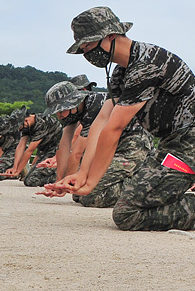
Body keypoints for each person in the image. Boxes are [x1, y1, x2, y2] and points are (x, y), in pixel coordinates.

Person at [47, 7, 195, 233]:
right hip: (171, 145)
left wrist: (91, 182)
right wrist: (82, 173)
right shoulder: (121, 73)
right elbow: (102, 121)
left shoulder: (146, 64)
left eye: (88, 45)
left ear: (110, 36)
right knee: (131, 206)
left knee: (127, 214)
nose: (87, 53)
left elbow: (114, 128)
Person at [36, 79, 152, 207]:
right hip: (111, 148)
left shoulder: (95, 105)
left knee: (90, 197)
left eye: (61, 110)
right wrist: (59, 183)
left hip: (132, 146)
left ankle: (145, 182)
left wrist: (73, 180)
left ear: (73, 102)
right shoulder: (72, 112)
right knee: (78, 194)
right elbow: (64, 145)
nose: (59, 116)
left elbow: (80, 152)